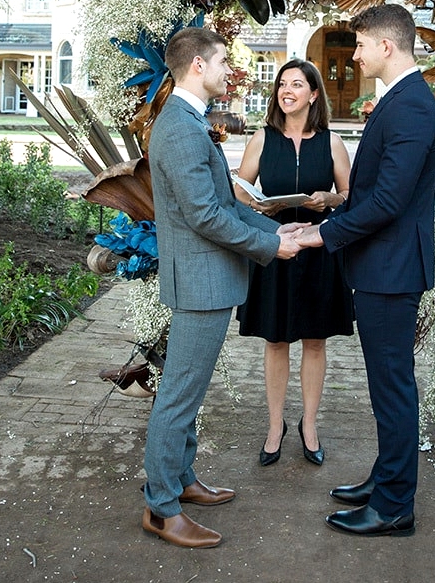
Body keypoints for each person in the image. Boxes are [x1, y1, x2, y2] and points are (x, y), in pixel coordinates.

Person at [141, 27, 304, 549]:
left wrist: (274, 229)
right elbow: (205, 216)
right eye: (220, 62)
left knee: (188, 391)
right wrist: (268, 248)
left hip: (206, 280)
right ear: (196, 67)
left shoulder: (188, 121)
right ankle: (161, 507)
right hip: (199, 283)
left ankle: (182, 481)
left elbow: (223, 202)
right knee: (178, 396)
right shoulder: (182, 128)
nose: (227, 70)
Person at [299, 4, 435, 537]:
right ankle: (386, 480)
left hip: (392, 271)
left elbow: (386, 200)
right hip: (384, 267)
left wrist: (323, 233)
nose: (354, 55)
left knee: (393, 389)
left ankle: (393, 507)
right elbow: (375, 191)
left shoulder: (410, 108)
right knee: (387, 386)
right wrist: (332, 214)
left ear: (387, 46)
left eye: (360, 45)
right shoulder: (400, 101)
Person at [235, 59, 352, 467]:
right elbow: (240, 191)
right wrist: (258, 208)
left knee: (316, 341)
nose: (286, 91)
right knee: (276, 339)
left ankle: (310, 425)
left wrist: (328, 200)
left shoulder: (332, 142)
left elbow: (349, 196)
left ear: (313, 94)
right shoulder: (262, 139)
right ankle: (274, 426)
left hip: (320, 251)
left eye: (296, 85)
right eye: (282, 84)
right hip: (274, 250)